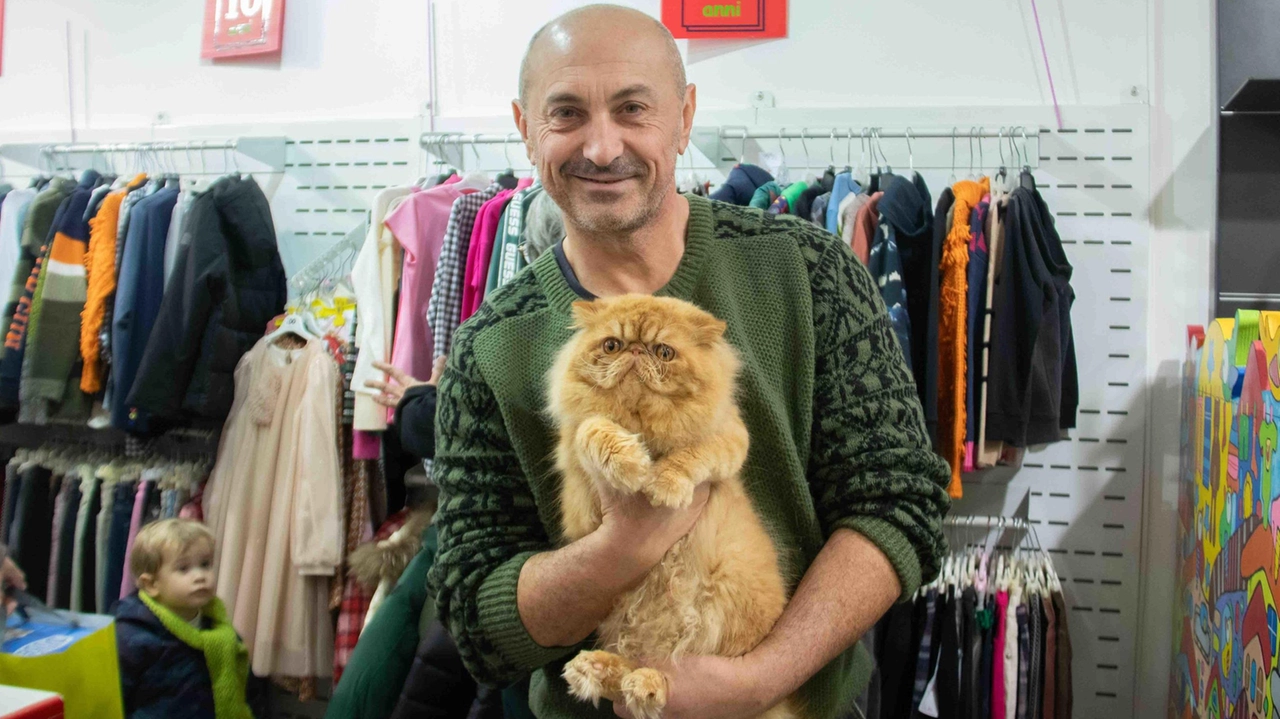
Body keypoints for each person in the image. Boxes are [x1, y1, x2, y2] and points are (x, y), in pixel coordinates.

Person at [426, 5, 951, 719]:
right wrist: (621, 547)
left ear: (685, 115)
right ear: (525, 127)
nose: (603, 146)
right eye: (568, 113)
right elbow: (475, 618)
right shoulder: (490, 346)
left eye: (633, 108)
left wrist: (761, 678)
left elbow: (899, 502)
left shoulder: (807, 270)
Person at [114, 519, 253, 719]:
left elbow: (246, 689)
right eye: (183, 568)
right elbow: (114, 698)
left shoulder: (220, 630)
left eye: (205, 565)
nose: (200, 576)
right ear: (151, 584)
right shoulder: (132, 636)